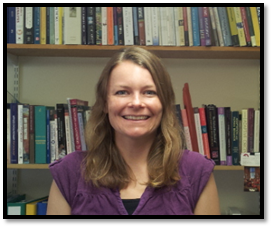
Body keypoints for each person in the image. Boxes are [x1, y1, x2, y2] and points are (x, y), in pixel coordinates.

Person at [47, 47, 220, 215]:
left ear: (164, 103)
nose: (136, 103)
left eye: (149, 92)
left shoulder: (196, 171)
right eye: (122, 92)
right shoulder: (69, 172)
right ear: (105, 103)